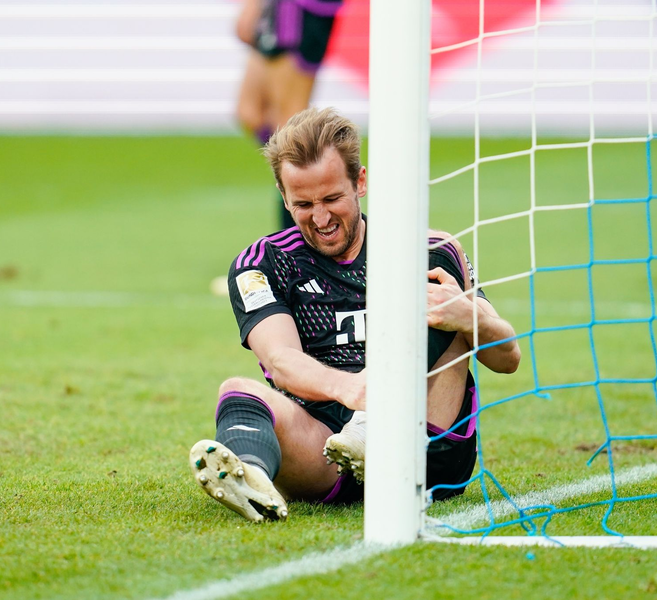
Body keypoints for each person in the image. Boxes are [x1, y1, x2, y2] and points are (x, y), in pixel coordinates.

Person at [189, 107, 521, 522]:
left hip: (425, 447)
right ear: (283, 194)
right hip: (327, 449)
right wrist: (358, 391)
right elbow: (280, 360)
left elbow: (507, 359)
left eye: (332, 199)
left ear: (360, 182)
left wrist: (469, 316)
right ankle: (251, 477)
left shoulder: (429, 251)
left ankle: (370, 431)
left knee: (436, 298)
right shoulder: (262, 264)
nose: (321, 218)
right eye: (303, 204)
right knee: (238, 389)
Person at [234, 0, 343, 230]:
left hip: (300, 8)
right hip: (282, 7)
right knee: (251, 112)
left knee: (288, 127)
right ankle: (314, 190)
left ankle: (301, 234)